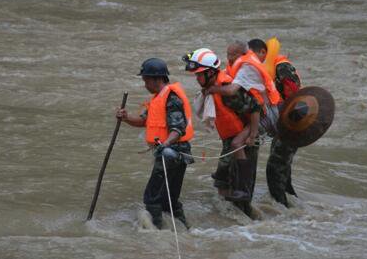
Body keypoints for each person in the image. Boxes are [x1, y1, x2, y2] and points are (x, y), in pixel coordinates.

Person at [116, 58, 194, 229]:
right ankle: (184, 230)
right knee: (169, 200)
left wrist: (164, 145)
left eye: (146, 80)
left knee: (152, 198)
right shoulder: (157, 98)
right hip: (170, 152)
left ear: (157, 79)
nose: (145, 84)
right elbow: (143, 120)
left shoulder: (171, 99)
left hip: (172, 154)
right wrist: (126, 117)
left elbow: (178, 129)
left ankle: (158, 234)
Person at [206, 40, 282, 204]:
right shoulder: (239, 63)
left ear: (242, 54)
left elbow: (232, 90)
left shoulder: (247, 67)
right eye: (227, 54)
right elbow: (226, 77)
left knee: (237, 143)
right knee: (234, 144)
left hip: (267, 113)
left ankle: (243, 190)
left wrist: (212, 89)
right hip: (258, 109)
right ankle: (228, 180)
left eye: (232, 55)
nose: (229, 58)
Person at [183, 48, 261, 207]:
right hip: (230, 138)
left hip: (246, 137)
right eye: (196, 74)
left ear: (211, 73)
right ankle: (227, 215)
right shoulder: (212, 89)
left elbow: (255, 109)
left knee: (240, 188)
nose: (197, 78)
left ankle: (245, 208)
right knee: (221, 181)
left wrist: (252, 135)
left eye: (199, 74)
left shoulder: (228, 91)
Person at [248, 38, 302, 206]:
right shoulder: (269, 67)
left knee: (275, 167)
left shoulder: (283, 67)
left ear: (264, 52)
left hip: (291, 122)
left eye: (252, 54)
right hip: (283, 123)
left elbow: (293, 95)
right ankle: (291, 204)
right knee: (283, 167)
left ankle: (283, 209)